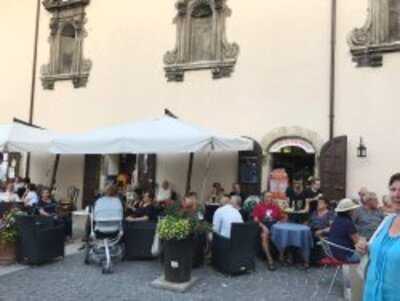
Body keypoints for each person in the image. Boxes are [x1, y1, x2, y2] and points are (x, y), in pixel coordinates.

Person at [359, 173, 400, 301]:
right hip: (371, 294)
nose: (396, 195)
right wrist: (364, 247)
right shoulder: (387, 220)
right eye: (393, 189)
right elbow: (372, 249)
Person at [253, 191, 284, 271]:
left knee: (283, 234)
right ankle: (270, 260)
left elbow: (281, 218)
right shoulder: (259, 206)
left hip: (274, 225)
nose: (269, 198)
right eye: (267, 196)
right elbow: (256, 219)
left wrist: (279, 222)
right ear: (263, 197)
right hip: (263, 225)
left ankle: (281, 255)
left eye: (270, 196)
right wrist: (263, 227)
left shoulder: (275, 207)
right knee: (264, 236)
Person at [328, 198, 361, 263]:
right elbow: (358, 242)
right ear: (349, 211)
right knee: (370, 256)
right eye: (353, 209)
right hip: (346, 255)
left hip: (334, 253)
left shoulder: (336, 220)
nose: (354, 211)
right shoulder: (348, 223)